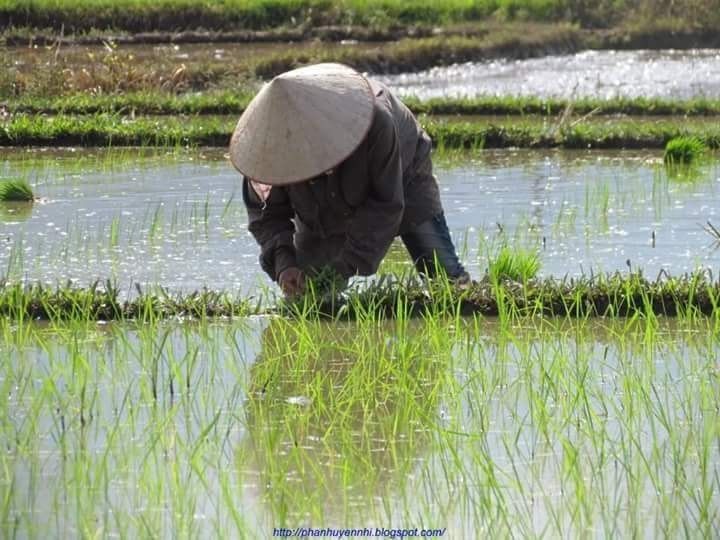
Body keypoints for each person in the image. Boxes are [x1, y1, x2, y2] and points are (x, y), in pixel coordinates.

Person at [230, 62, 469, 297]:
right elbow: (266, 214)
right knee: (310, 297)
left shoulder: (375, 123)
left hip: (404, 176)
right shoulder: (266, 153)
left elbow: (385, 204)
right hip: (317, 202)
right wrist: (284, 263)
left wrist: (346, 264)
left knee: (447, 284)